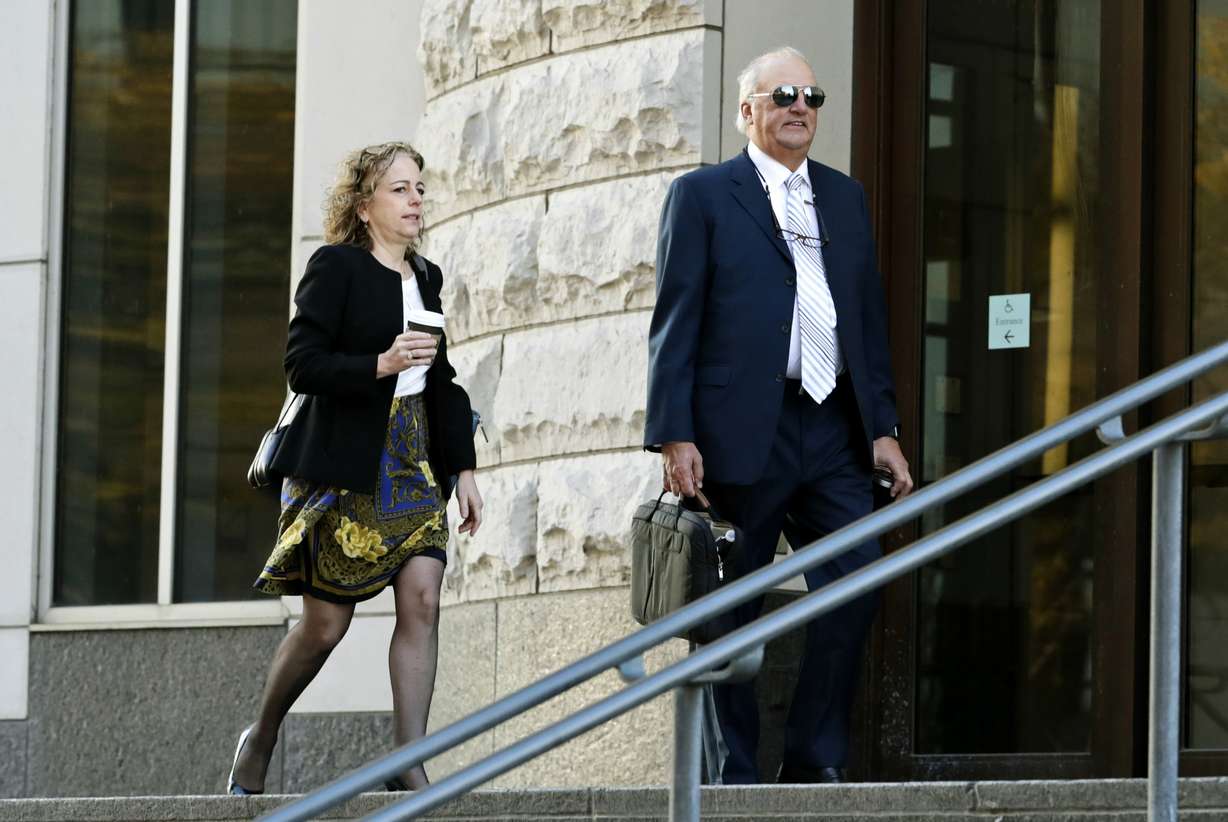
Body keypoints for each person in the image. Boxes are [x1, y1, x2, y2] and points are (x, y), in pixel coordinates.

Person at [644, 47, 913, 785]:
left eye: (812, 96)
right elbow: (676, 320)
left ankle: (811, 760)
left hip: (832, 427)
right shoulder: (702, 196)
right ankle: (732, 772)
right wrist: (674, 431)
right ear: (748, 110)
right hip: (738, 431)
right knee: (729, 604)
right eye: (784, 94)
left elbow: (863, 320)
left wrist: (882, 427)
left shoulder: (845, 197)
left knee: (855, 582)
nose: (801, 106)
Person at [226, 141, 483, 795]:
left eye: (420, 187)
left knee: (422, 599)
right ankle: (262, 732)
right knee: (324, 626)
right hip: (344, 465)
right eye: (400, 189)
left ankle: (408, 760)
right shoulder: (335, 268)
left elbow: (443, 382)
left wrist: (466, 470)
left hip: (412, 462)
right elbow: (302, 364)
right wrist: (379, 364)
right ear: (365, 206)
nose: (416, 199)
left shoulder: (426, 277)